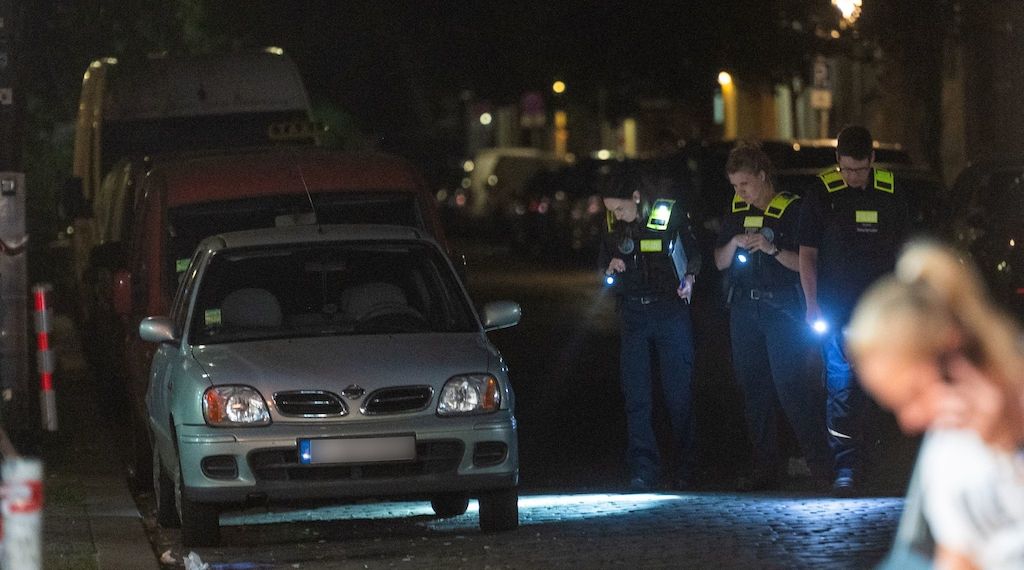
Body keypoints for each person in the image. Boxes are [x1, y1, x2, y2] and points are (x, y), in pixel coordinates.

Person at [845, 240, 1024, 569]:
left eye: (914, 395)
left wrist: (1011, 445)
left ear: (952, 351)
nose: (909, 421)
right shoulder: (948, 451)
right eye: (895, 406)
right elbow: (958, 557)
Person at [797, 125, 910, 496]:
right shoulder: (822, 193)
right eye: (846, 169)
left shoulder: (891, 192)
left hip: (882, 313)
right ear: (837, 161)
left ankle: (884, 467)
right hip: (838, 311)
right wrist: (812, 305)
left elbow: (906, 252)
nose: (853, 177)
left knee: (884, 389)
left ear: (872, 161)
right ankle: (845, 467)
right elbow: (808, 255)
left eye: (860, 170)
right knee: (842, 391)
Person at [713, 142, 830, 491]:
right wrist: (734, 242)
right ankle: (765, 467)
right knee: (753, 389)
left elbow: (806, 264)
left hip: (782, 309)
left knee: (790, 385)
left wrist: (772, 248)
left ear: (762, 177)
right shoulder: (737, 210)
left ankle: (820, 464)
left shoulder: (792, 210)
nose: (740, 192)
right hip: (744, 310)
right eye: (735, 186)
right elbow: (719, 261)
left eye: (745, 184)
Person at [599, 164, 702, 491]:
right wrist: (610, 267)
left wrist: (689, 278)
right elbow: (603, 263)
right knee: (637, 395)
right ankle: (643, 469)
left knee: (678, 393)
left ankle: (687, 467)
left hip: (669, 311)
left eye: (619, 208)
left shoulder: (667, 214)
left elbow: (694, 254)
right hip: (633, 314)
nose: (615, 216)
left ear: (636, 197)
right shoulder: (612, 224)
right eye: (610, 210)